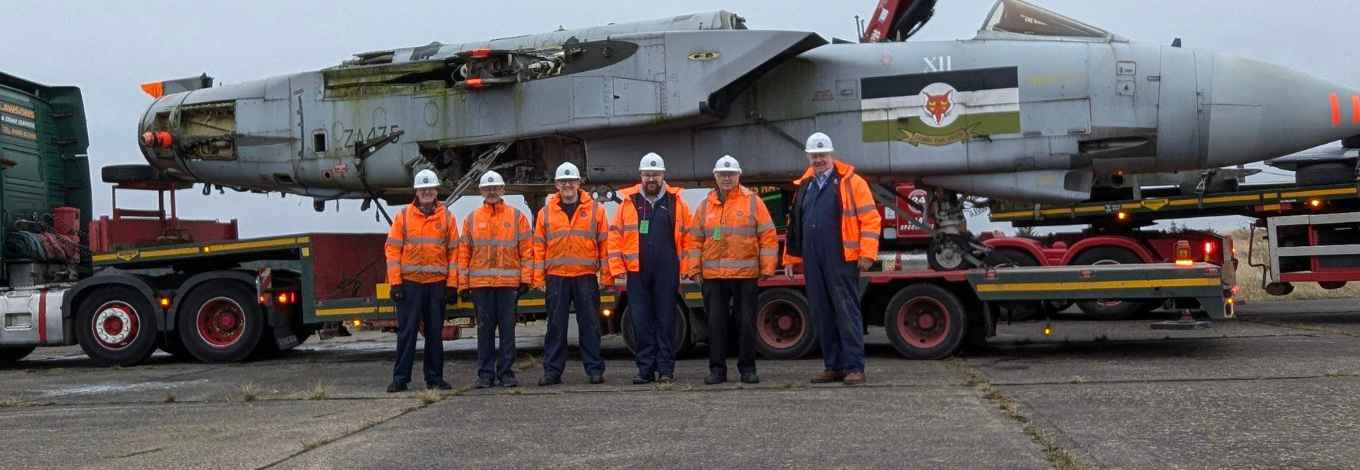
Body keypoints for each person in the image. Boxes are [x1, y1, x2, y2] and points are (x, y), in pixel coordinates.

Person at [783, 132, 882, 386]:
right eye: (814, 156)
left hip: (842, 258)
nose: (819, 160)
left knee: (846, 311)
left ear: (831, 155)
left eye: (823, 155)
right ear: (808, 157)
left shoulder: (852, 182)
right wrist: (791, 258)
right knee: (821, 312)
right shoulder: (804, 186)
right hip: (812, 258)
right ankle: (833, 366)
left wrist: (867, 253)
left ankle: (854, 367)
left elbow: (870, 219)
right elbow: (795, 224)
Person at [684, 155, 777, 385]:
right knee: (716, 325)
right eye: (722, 175)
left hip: (745, 275)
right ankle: (717, 370)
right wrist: (694, 270)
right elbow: (694, 240)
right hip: (714, 278)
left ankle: (747, 369)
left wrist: (767, 267)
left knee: (746, 324)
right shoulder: (706, 205)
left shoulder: (753, 202)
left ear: (739, 176)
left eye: (731, 174)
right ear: (715, 176)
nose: (726, 178)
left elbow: (767, 235)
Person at [608, 152, 692, 384]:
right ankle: (645, 369)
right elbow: (614, 237)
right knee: (641, 321)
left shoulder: (676, 203)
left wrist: (687, 267)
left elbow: (688, 238)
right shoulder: (628, 202)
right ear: (641, 176)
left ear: (663, 175)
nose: (651, 179)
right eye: (647, 175)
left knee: (666, 321)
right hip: (637, 272)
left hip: (667, 271)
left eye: (655, 174)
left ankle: (666, 369)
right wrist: (618, 269)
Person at [533, 162, 608, 386]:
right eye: (563, 181)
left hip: (585, 276)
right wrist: (538, 278)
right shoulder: (545, 213)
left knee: (591, 325)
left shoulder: (596, 210)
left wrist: (606, 276)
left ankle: (594, 370)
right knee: (555, 326)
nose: (568, 185)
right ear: (556, 185)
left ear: (579, 183)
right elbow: (538, 248)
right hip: (556, 277)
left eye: (571, 181)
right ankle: (552, 372)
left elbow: (605, 245)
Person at [384, 169, 458, 393]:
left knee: (434, 334)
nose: (427, 192)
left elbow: (454, 252)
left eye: (431, 189)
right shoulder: (403, 216)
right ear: (416, 191)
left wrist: (452, 284)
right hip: (410, 285)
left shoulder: (447, 217)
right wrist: (395, 283)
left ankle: (434, 378)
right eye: (423, 189)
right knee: (406, 333)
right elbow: (392, 251)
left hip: (436, 284)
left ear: (436, 191)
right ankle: (400, 378)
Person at [458, 170, 534, 389]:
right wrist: (463, 283)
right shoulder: (472, 219)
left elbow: (526, 250)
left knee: (507, 332)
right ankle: (485, 374)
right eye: (487, 188)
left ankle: (507, 373)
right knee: (485, 331)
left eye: (495, 187)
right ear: (481, 191)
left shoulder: (516, 217)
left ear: (502, 190)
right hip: (481, 287)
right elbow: (464, 253)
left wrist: (525, 279)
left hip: (508, 285)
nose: (491, 191)